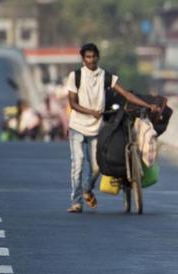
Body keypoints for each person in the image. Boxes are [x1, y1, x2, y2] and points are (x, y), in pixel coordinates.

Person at [65, 43, 159, 213]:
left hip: (95, 129)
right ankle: (76, 201)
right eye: (87, 57)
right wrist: (90, 111)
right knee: (77, 165)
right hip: (77, 127)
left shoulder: (105, 76)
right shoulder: (76, 76)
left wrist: (148, 105)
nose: (91, 60)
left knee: (96, 168)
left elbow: (126, 94)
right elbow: (72, 103)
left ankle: (87, 189)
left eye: (93, 57)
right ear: (83, 59)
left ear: (98, 57)